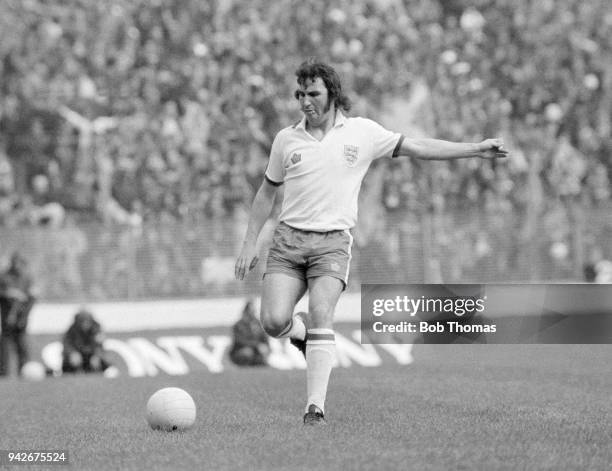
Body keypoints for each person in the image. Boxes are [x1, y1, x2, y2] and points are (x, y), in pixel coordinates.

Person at [235, 59, 509, 425]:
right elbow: (266, 193)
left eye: (313, 93)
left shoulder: (362, 133)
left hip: (332, 243)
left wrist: (475, 149)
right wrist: (250, 242)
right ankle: (298, 333)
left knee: (322, 311)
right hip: (288, 242)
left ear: (332, 93)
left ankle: (314, 408)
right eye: (300, 94)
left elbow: (419, 147)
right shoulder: (287, 139)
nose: (305, 102)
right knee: (272, 322)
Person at [0, 252, 36, 377]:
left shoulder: (27, 278)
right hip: (7, 318)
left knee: (23, 346)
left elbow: (32, 297)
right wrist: (10, 293)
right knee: (5, 347)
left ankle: (24, 373)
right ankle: (3, 374)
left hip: (21, 318)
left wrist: (24, 314)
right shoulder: (4, 276)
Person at [62, 309, 111, 374]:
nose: (86, 324)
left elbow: (99, 346)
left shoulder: (96, 329)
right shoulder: (72, 330)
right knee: (71, 363)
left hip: (91, 356)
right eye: (83, 322)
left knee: (101, 363)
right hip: (77, 356)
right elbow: (67, 344)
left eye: (88, 322)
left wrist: (97, 356)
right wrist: (72, 353)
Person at [229, 299, 270, 367]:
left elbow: (263, 337)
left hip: (256, 350)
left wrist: (266, 346)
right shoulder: (239, 325)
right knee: (248, 352)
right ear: (247, 311)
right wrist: (257, 345)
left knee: (263, 353)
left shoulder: (257, 323)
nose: (254, 312)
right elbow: (240, 340)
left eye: (254, 310)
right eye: (252, 310)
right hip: (239, 351)